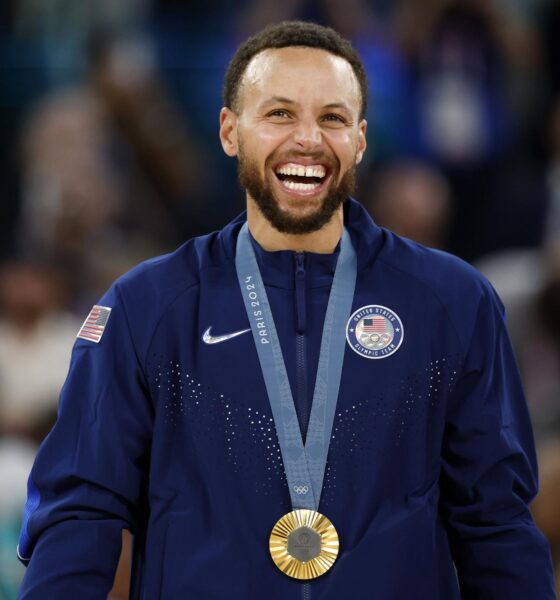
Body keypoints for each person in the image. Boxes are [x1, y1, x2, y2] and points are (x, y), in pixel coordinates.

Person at [16, 21, 555, 599]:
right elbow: (80, 512)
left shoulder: (451, 301)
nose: (308, 139)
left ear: (362, 139)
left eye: (332, 118)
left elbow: (495, 521)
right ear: (230, 131)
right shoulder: (148, 307)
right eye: (278, 114)